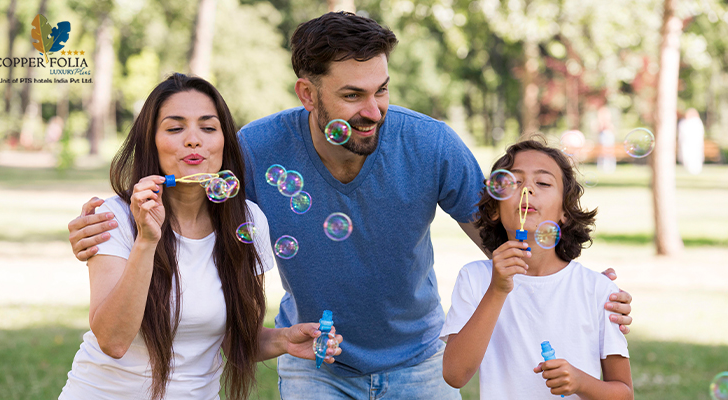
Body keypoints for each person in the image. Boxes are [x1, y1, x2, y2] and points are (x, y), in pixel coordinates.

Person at [67, 13, 633, 399]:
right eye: (353, 96)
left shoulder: (429, 144)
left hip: (419, 358)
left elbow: (507, 232)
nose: (374, 110)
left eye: (382, 89)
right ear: (308, 94)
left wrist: (582, 284)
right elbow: (188, 195)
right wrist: (102, 227)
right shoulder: (257, 150)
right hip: (314, 359)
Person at [59, 73, 342, 400]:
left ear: (224, 141)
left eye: (208, 128)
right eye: (175, 128)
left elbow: (236, 339)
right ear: (152, 141)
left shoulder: (248, 222)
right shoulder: (116, 217)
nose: (194, 139)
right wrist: (147, 241)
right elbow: (113, 340)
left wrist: (285, 340)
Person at [441, 137, 632, 399]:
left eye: (542, 182)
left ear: (565, 211)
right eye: (515, 182)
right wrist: (497, 289)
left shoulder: (597, 290)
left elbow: (624, 393)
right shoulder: (475, 279)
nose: (527, 189)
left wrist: (580, 382)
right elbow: (454, 374)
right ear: (495, 209)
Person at [678, 108, 705, 175]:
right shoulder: (685, 122)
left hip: (693, 144)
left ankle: (695, 170)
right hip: (688, 144)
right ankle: (690, 169)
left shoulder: (695, 122)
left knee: (694, 155)